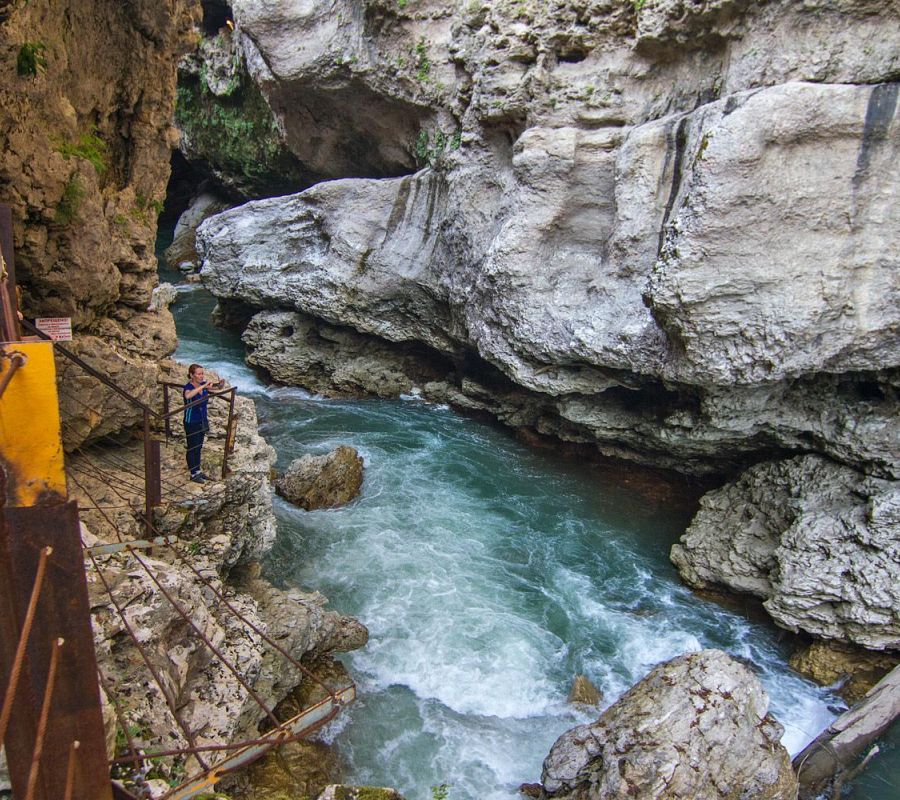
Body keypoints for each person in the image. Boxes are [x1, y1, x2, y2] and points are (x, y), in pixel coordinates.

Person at [183, 363, 215, 483]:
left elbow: (218, 388)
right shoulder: (189, 387)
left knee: (199, 446)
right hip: (191, 421)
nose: (201, 376)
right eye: (198, 374)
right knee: (192, 447)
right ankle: (193, 473)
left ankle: (197, 471)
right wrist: (203, 386)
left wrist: (214, 384)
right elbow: (188, 396)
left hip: (202, 420)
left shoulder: (202, 385)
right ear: (192, 375)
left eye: (202, 373)